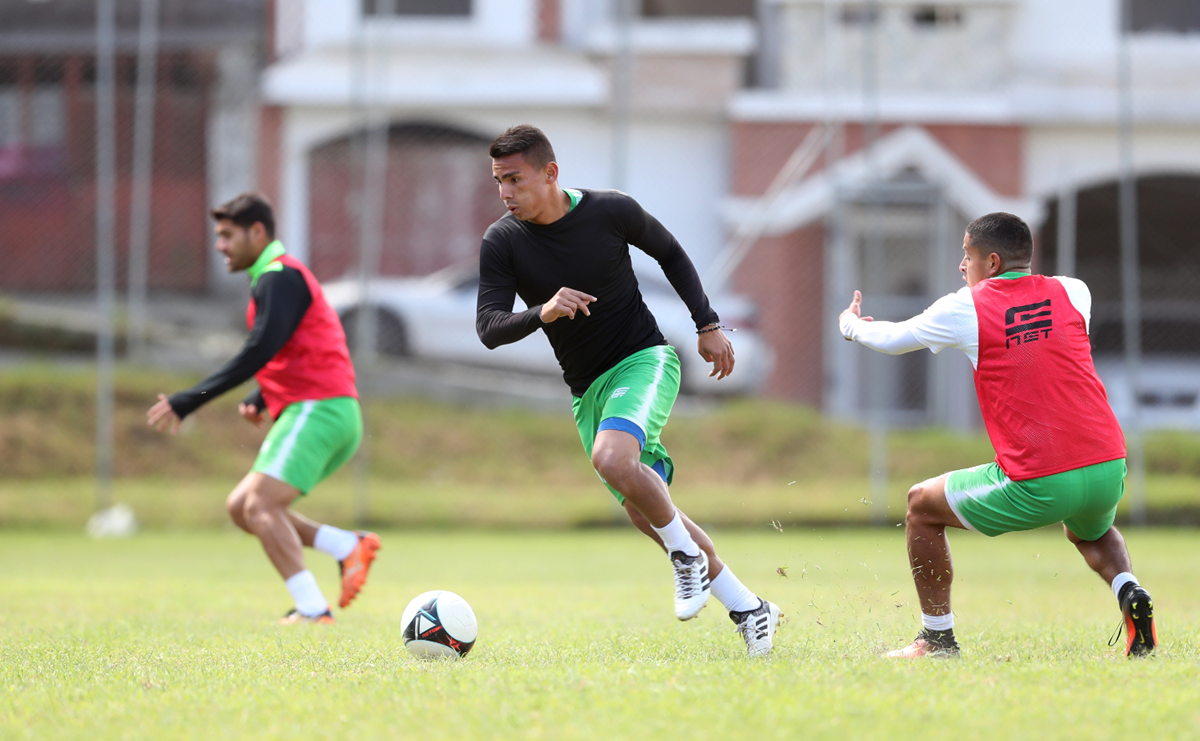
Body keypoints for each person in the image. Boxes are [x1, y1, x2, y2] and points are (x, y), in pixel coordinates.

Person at [476, 124, 780, 657]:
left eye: (515, 180)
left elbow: (671, 253)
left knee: (613, 460)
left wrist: (707, 325)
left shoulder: (610, 211)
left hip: (644, 360)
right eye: (499, 181)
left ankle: (683, 559)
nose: (505, 192)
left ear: (550, 173)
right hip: (586, 390)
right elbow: (489, 327)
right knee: (648, 511)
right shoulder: (502, 241)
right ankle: (751, 609)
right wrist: (542, 312)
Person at [839, 211, 1156, 658]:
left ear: (990, 262)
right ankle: (1130, 591)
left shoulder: (964, 307)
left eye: (966, 257)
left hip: (1042, 477)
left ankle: (936, 639)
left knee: (921, 506)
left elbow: (891, 338)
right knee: (1091, 531)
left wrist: (849, 324)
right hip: (1108, 464)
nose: (960, 268)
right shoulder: (1073, 290)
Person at [147, 193, 380, 625]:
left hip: (320, 408)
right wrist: (261, 395)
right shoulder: (275, 276)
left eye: (227, 235)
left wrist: (188, 400)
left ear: (258, 232)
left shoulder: (278, 276)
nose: (220, 246)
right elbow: (289, 346)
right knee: (243, 507)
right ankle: (346, 547)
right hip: (319, 407)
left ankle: (312, 609)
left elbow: (260, 348)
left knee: (260, 507)